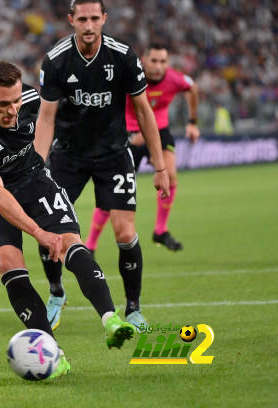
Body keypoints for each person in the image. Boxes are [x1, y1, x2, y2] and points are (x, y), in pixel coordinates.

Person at [0, 61, 136, 378]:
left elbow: (56, 118)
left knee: (71, 243)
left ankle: (110, 319)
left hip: (33, 181)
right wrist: (37, 232)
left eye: (16, 101)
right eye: (3, 104)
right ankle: (54, 355)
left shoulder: (31, 100)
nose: (12, 110)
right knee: (9, 264)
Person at [34, 0, 170, 332]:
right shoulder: (55, 61)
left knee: (125, 232)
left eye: (95, 18)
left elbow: (143, 112)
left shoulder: (124, 57)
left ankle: (134, 308)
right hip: (68, 156)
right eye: (83, 18)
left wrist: (161, 165)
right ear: (71, 21)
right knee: (49, 230)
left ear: (104, 19)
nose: (90, 25)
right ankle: (56, 293)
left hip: (113, 155)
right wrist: (36, 168)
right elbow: (46, 118)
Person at [85, 43, 200, 253]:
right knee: (111, 193)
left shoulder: (174, 78)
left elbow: (192, 88)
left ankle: (160, 230)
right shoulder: (128, 75)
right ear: (143, 61)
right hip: (128, 135)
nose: (158, 66)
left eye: (163, 61)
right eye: (154, 61)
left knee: (171, 175)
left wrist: (193, 122)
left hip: (160, 131)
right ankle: (90, 244)